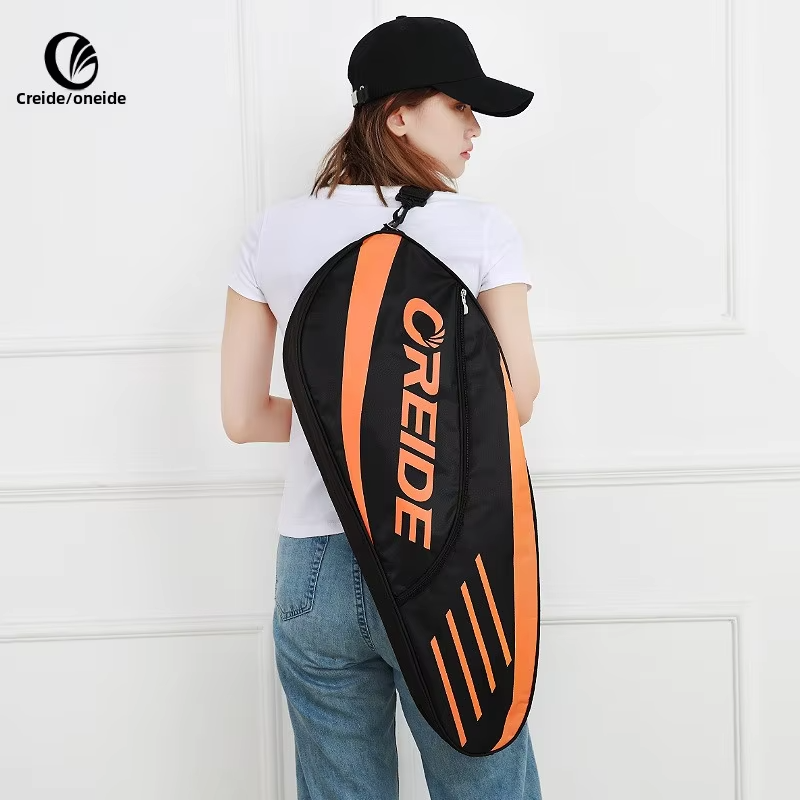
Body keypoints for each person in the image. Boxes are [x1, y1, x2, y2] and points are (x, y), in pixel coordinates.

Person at [221, 15, 543, 800]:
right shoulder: (479, 230)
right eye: (459, 106)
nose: (474, 128)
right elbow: (518, 399)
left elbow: (243, 417)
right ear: (398, 115)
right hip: (445, 559)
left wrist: (348, 421)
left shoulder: (273, 233)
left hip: (313, 571)